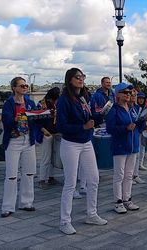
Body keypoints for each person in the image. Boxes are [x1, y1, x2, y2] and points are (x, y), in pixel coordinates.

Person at [57, 68, 107, 235]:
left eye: (82, 76)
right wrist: (82, 127)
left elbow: (90, 117)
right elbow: (61, 126)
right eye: (77, 77)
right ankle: (65, 221)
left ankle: (91, 214)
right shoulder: (64, 100)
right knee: (70, 183)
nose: (81, 79)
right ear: (70, 80)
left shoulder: (83, 97)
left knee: (94, 178)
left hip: (86, 142)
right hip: (71, 143)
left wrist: (100, 115)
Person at [1, 77, 37, 217]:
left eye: (26, 85)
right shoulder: (9, 103)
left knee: (29, 172)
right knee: (11, 175)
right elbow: (6, 120)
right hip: (13, 141)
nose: (24, 88)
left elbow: (34, 119)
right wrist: (16, 118)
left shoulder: (30, 102)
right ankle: (7, 206)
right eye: (21, 86)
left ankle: (26, 202)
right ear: (14, 88)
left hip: (28, 139)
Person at [106, 82, 141, 214]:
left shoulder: (132, 109)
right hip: (120, 146)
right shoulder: (114, 110)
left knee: (129, 175)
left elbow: (137, 125)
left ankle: (127, 198)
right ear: (118, 95)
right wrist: (125, 128)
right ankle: (118, 201)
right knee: (119, 175)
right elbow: (110, 128)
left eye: (130, 93)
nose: (129, 95)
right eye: (125, 92)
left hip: (132, 146)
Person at [36, 87, 60, 189]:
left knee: (53, 157)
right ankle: (42, 179)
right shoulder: (42, 104)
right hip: (46, 133)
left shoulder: (57, 103)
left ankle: (51, 177)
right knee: (46, 157)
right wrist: (44, 131)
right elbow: (36, 120)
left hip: (56, 132)